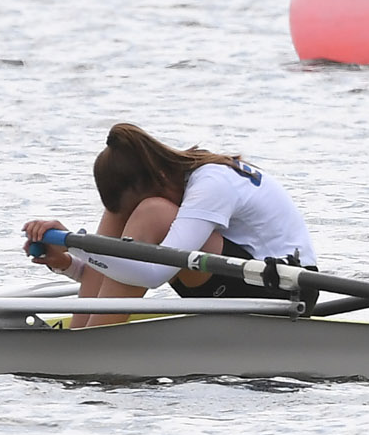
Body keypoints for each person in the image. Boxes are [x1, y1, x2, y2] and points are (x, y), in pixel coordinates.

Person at [22, 124, 317, 326]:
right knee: (119, 212)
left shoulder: (210, 184)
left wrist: (75, 242)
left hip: (286, 287)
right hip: (244, 275)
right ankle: (82, 331)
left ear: (160, 178)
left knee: (152, 213)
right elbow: (119, 270)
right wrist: (67, 262)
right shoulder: (181, 176)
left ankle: (89, 345)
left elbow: (152, 274)